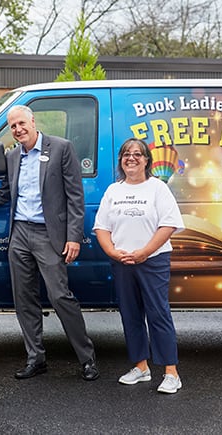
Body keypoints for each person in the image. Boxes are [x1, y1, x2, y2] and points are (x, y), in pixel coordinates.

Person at [0, 104, 98, 381]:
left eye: (21, 123)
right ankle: (36, 359)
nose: (18, 130)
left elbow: (76, 197)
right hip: (19, 235)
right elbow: (3, 194)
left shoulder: (61, 148)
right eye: (13, 126)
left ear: (33, 121)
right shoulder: (13, 156)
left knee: (60, 296)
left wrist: (73, 237)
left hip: (48, 235)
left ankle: (87, 359)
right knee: (24, 299)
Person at [93, 137, 185, 394]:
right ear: (121, 160)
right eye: (126, 154)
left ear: (147, 160)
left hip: (152, 260)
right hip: (122, 262)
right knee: (130, 315)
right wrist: (112, 252)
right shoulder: (113, 190)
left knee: (158, 313)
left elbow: (169, 225)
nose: (131, 158)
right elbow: (101, 227)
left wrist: (145, 252)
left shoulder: (157, 188)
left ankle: (171, 372)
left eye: (137, 154)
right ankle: (141, 367)